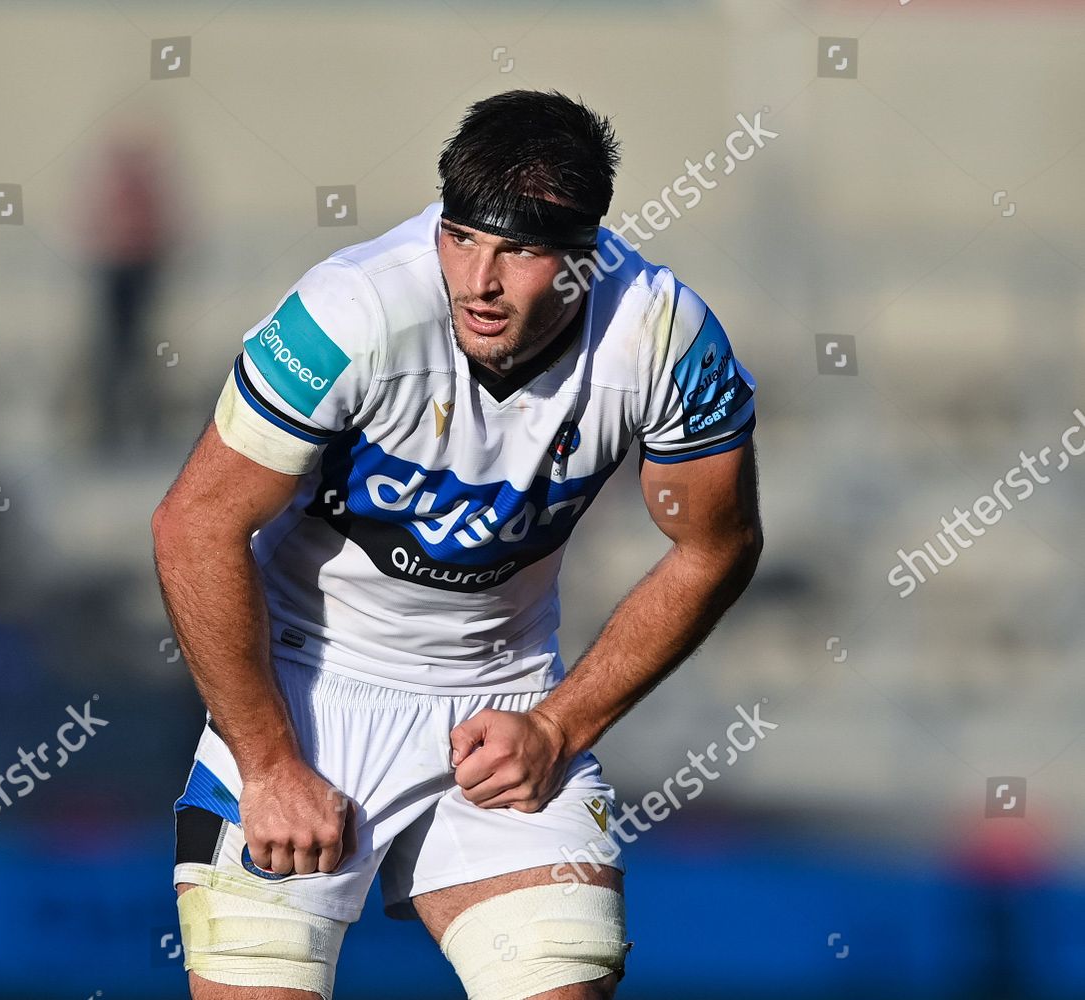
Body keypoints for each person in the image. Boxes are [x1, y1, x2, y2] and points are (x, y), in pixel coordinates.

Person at [151, 89, 762, 1000]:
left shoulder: (661, 338)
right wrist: (269, 763)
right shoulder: (352, 312)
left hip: (503, 702)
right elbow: (194, 522)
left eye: (519, 250)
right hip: (303, 694)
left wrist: (560, 727)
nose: (478, 280)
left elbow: (716, 545)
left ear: (585, 258)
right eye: (463, 236)